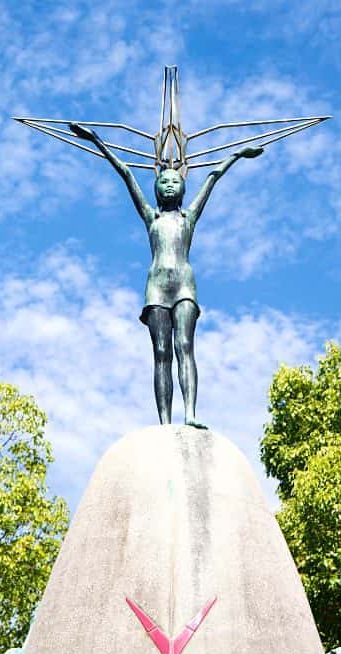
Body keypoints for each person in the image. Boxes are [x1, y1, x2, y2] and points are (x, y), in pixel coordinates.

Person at [69, 122, 263, 428]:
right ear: (157, 189)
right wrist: (96, 140)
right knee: (161, 353)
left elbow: (213, 177)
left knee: (185, 346)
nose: (170, 184)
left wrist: (237, 155)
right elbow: (125, 173)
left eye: (175, 181)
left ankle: (190, 413)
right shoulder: (151, 217)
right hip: (157, 289)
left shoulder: (190, 217)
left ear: (183, 188)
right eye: (164, 181)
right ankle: (164, 423)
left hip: (184, 286)